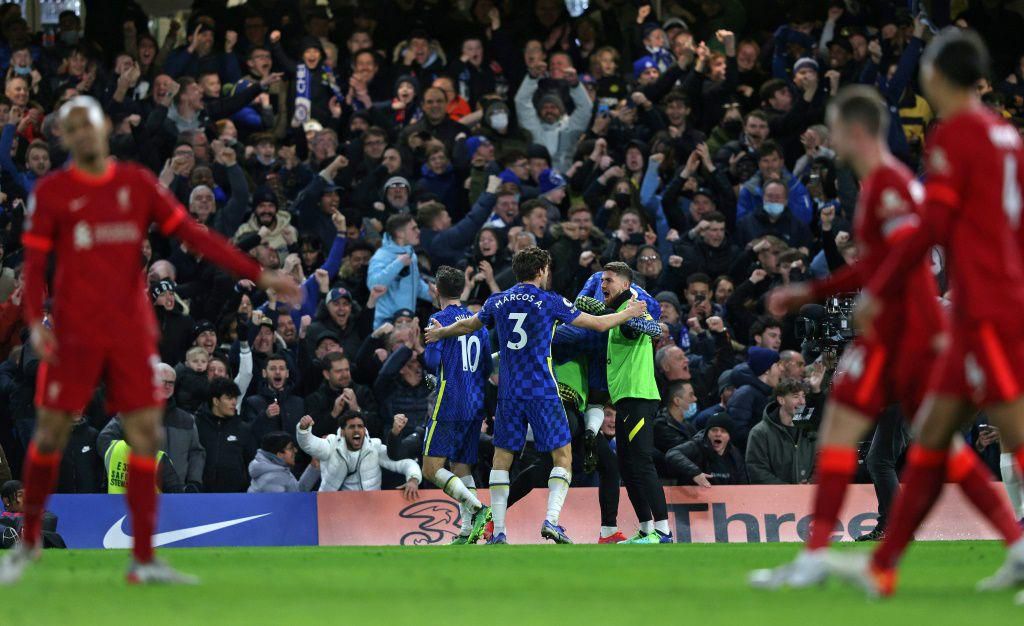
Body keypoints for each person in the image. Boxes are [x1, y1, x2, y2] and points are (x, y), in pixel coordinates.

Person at [0, 96, 296, 586]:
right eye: (73, 128)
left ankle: (142, 557)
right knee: (50, 433)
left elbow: (197, 237)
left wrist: (259, 274)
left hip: (128, 330)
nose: (83, 134)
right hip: (75, 330)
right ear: (66, 138)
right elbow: (33, 267)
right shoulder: (53, 192)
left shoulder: (136, 184)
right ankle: (27, 544)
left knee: (142, 437)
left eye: (89, 125)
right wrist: (36, 324)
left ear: (103, 129)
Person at [832, 30, 1024, 600]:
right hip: (988, 302)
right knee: (934, 436)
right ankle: (885, 566)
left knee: (1011, 434)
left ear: (938, 75)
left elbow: (932, 227)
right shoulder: (1007, 135)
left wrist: (880, 288)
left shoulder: (956, 133)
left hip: (986, 306)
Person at [425, 247, 647, 544]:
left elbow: (468, 324)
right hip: (543, 390)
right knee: (562, 457)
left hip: (509, 392)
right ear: (542, 270)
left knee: (502, 460)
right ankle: (551, 521)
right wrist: (629, 313)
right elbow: (598, 324)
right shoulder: (550, 301)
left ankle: (499, 531)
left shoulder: (498, 300)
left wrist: (441, 333)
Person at [600, 262, 671, 543]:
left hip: (638, 396)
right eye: (602, 280)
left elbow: (650, 330)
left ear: (626, 284)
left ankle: (663, 531)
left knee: (641, 462)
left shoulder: (631, 308)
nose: (603, 285)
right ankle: (646, 528)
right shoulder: (621, 311)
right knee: (627, 467)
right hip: (625, 399)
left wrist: (632, 317)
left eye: (609, 280)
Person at [420, 266, 492, 544]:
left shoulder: (438, 319)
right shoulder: (477, 321)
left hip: (450, 399)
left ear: (437, 290)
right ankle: (466, 531)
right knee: (461, 465)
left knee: (431, 468)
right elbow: (486, 366)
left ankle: (478, 507)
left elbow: (431, 361)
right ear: (461, 289)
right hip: (474, 401)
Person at [296, 413, 421, 495]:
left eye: (360, 426)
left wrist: (413, 479)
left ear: (364, 430)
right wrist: (303, 429)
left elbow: (405, 464)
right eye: (351, 427)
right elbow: (309, 444)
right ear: (343, 432)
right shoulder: (331, 445)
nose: (356, 430)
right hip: (333, 507)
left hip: (369, 508)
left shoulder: (374, 447)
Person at [745, 381, 815, 485]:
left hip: (806, 493)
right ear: (781, 400)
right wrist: (790, 490)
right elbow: (757, 471)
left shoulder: (810, 430)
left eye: (803, 396)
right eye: (796, 397)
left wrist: (811, 483)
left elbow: (821, 462)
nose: (802, 402)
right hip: (773, 495)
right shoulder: (759, 433)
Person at [247, 432, 318, 493]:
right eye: (291, 448)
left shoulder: (277, 469)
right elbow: (289, 502)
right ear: (279, 454)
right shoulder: (273, 479)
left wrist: (313, 466)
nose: (295, 450)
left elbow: (297, 492)